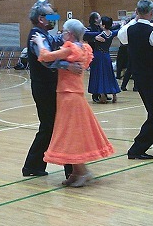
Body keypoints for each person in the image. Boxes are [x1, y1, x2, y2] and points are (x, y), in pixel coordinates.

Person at [32, 18, 114, 187]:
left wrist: (39, 42)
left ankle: (83, 172)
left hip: (68, 95)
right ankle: (76, 172)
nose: (61, 33)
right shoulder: (84, 48)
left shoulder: (70, 48)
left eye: (63, 31)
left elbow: (45, 56)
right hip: (74, 95)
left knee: (71, 134)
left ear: (69, 33)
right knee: (72, 134)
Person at [22, 1, 80, 178]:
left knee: (50, 127)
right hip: (44, 88)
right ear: (41, 19)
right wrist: (67, 66)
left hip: (49, 86)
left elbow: (57, 43)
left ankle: (34, 166)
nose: (55, 18)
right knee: (50, 126)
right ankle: (67, 169)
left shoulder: (44, 34)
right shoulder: (36, 36)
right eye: (51, 15)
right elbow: (46, 60)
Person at [117, 0, 153, 159]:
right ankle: (136, 149)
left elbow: (122, 37)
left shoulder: (128, 29)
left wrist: (135, 18)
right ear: (152, 13)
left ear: (136, 12)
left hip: (139, 77)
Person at [85, 16, 121, 103]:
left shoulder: (100, 34)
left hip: (98, 56)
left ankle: (102, 96)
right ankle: (114, 94)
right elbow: (118, 29)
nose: (100, 24)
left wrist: (94, 38)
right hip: (107, 56)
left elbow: (86, 35)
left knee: (100, 75)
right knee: (109, 75)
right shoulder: (112, 33)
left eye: (101, 23)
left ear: (104, 25)